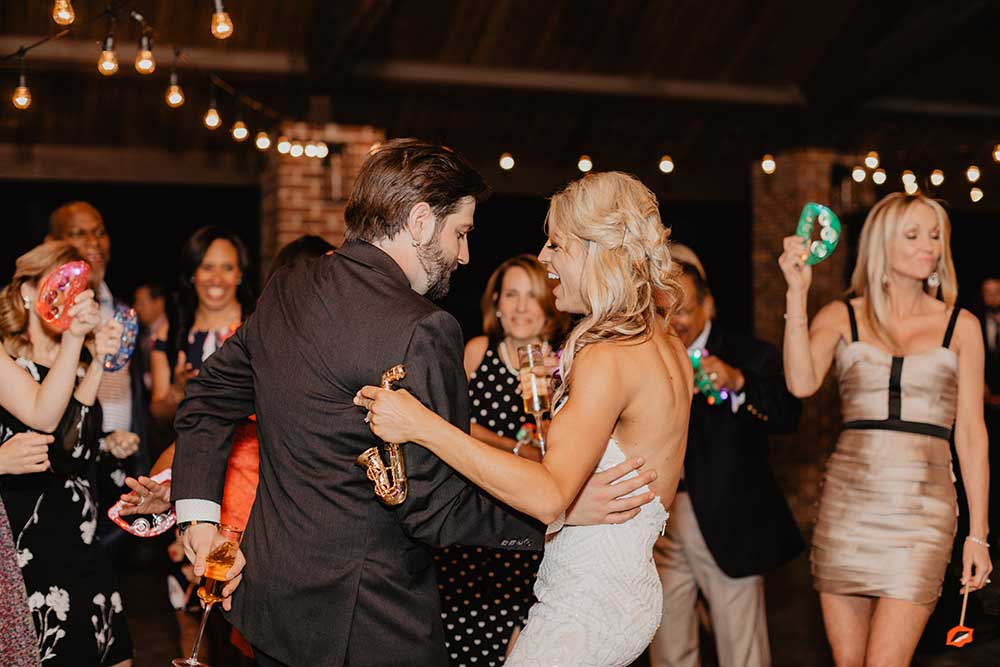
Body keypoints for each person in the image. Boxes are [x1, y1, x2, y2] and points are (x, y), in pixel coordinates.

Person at [169, 139, 548, 667]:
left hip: (272, 611)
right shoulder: (425, 329)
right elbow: (438, 508)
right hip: (372, 626)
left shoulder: (289, 287)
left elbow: (206, 399)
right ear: (419, 221)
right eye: (460, 232)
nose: (465, 255)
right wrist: (555, 514)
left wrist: (198, 521)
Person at [358, 170, 692, 666]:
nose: (545, 259)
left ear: (596, 251)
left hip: (585, 607)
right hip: (626, 592)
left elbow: (548, 495)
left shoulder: (608, 354)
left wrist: (422, 424)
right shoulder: (667, 345)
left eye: (557, 245)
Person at [778, 192, 992, 666]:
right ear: (881, 244)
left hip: (923, 510)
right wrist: (797, 294)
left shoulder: (963, 326)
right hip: (848, 507)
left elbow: (972, 433)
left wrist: (978, 534)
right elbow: (800, 383)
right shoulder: (842, 315)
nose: (929, 246)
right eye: (913, 235)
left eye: (935, 235)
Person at [648, 255, 803, 667]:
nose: (674, 321)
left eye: (683, 310)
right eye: (664, 310)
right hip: (657, 519)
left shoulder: (750, 354)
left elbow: (788, 413)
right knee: (667, 645)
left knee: (741, 647)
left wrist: (738, 382)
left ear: (708, 306)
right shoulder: (649, 357)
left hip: (727, 518)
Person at [0, 241, 133, 667]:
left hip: (80, 530)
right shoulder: (4, 358)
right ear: (25, 291)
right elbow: (44, 415)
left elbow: (70, 448)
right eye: (60, 286)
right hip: (28, 539)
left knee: (114, 653)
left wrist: (95, 361)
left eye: (80, 292)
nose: (69, 300)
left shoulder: (75, 359)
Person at [438, 254, 570, 665]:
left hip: (527, 533)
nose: (520, 307)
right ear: (496, 303)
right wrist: (517, 450)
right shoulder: (478, 352)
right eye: (511, 294)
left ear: (549, 305)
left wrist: (546, 413)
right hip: (471, 522)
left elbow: (562, 457)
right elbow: (453, 426)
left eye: (531, 296)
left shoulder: (562, 364)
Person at [47, 202, 148, 555]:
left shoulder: (124, 313)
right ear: (53, 243)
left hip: (120, 470)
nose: (93, 241)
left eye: (100, 231)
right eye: (79, 233)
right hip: (61, 471)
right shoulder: (46, 318)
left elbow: (133, 394)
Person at [149, 226, 255, 423]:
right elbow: (158, 412)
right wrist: (178, 393)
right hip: (189, 451)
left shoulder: (257, 328)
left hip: (250, 451)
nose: (216, 279)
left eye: (227, 268)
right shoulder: (169, 332)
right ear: (193, 274)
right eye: (207, 267)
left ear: (239, 274)